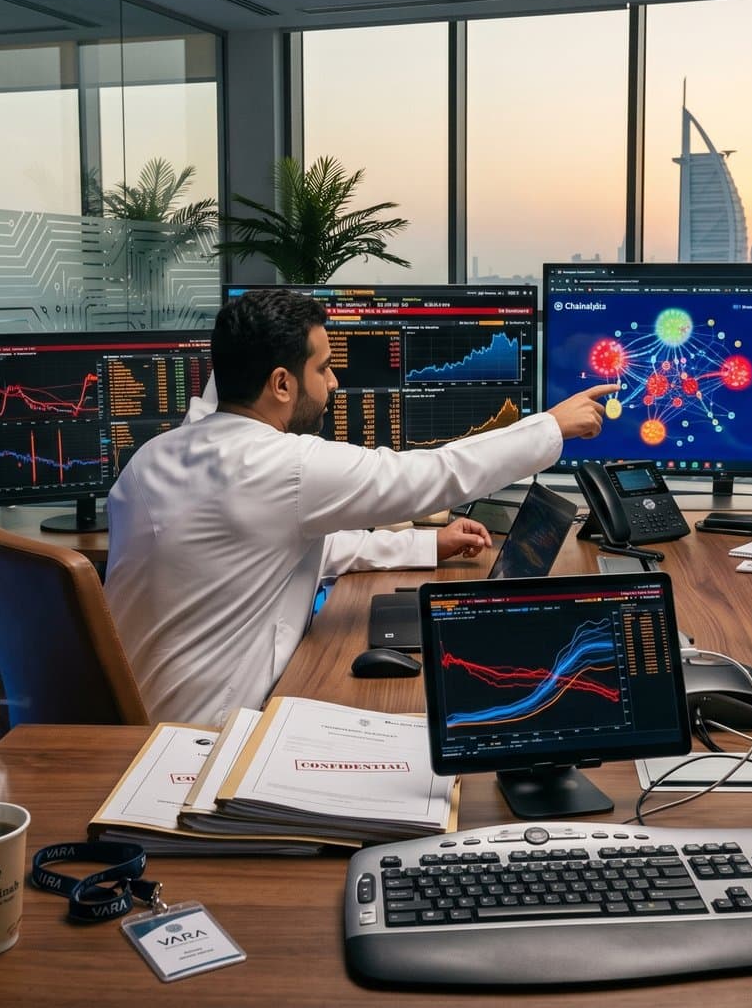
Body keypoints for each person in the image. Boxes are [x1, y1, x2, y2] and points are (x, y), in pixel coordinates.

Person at [105, 289, 616, 726]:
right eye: (323, 369)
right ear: (281, 384)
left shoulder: (154, 458)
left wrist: (425, 543)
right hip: (204, 747)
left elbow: (279, 550)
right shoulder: (282, 466)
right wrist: (552, 425)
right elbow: (433, 474)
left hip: (144, 728)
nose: (333, 384)